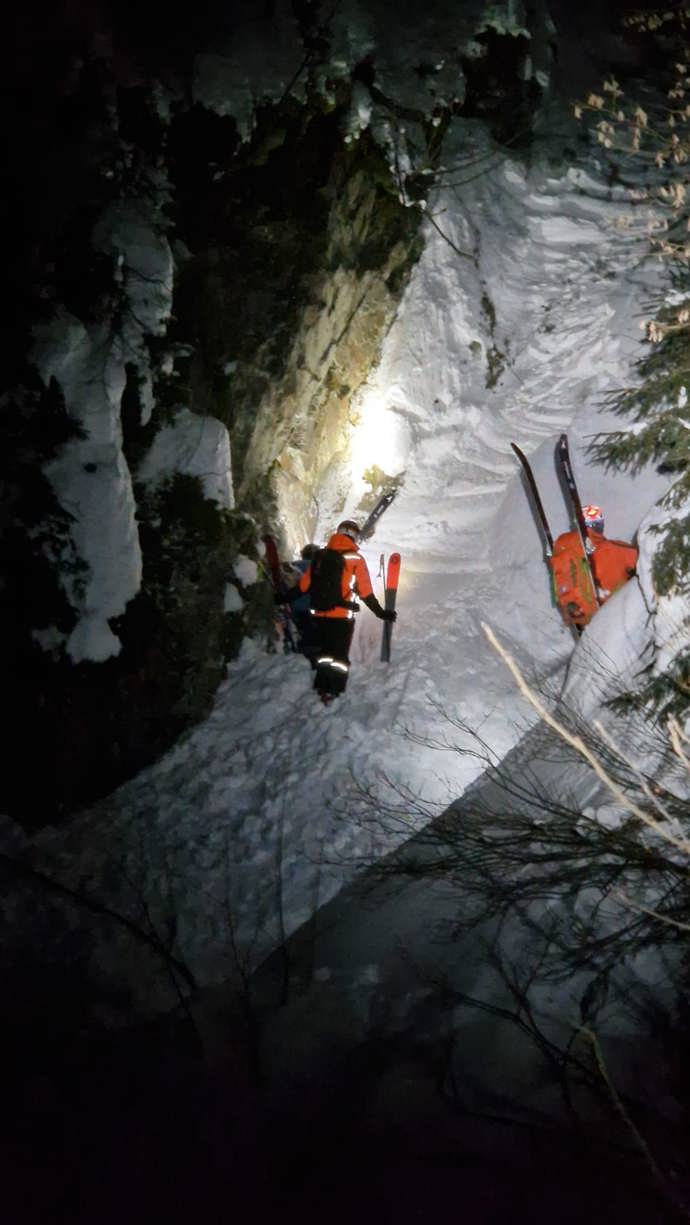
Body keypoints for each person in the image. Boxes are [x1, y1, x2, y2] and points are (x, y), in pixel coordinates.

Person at [290, 520, 397, 704]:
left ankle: (322, 688)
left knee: (324, 653)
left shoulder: (320, 556)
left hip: (318, 615)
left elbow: (303, 586)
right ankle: (334, 692)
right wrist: (381, 613)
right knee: (339, 657)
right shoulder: (355, 559)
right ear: (354, 536)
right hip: (341, 618)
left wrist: (283, 597)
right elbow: (366, 593)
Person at [549, 504, 638, 631]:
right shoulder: (613, 549)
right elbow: (642, 556)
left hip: (581, 615)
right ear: (599, 525)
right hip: (612, 615)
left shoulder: (564, 546)